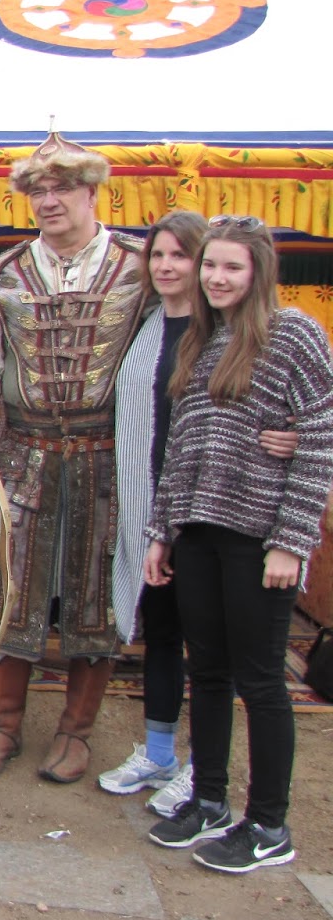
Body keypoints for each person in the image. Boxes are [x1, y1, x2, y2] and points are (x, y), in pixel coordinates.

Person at [0, 132, 148, 782]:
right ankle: (6, 726)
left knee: (94, 596)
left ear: (93, 191)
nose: (49, 199)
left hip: (106, 458)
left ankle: (76, 733)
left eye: (63, 187)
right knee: (14, 586)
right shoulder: (6, 275)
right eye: (38, 190)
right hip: (28, 454)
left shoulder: (140, 268)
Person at [143, 218, 333, 873]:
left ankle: (270, 823)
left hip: (259, 537)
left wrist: (291, 540)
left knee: (262, 679)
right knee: (210, 672)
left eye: (232, 268)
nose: (217, 278)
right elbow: (181, 450)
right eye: (211, 267)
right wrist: (161, 533)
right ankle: (211, 798)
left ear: (258, 272)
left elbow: (321, 434)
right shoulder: (202, 339)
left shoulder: (294, 335)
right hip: (197, 530)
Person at [105, 212, 299, 810]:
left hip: (232, 517)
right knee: (167, 636)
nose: (170, 267)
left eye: (184, 258)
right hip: (160, 509)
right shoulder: (151, 327)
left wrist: (296, 441)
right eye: (158, 256)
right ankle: (168, 758)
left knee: (232, 661)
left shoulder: (259, 335)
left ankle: (223, 785)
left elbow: (311, 414)